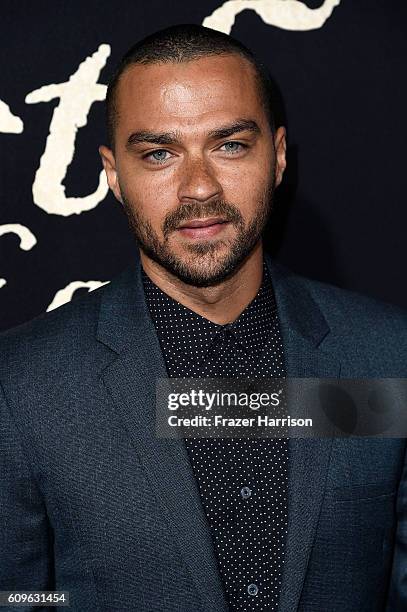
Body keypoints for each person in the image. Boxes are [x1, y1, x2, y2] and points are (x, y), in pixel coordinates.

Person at [0, 23, 406, 612]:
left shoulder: (387, 356)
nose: (198, 187)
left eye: (230, 145)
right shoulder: (23, 383)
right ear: (114, 174)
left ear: (279, 155)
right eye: (160, 154)